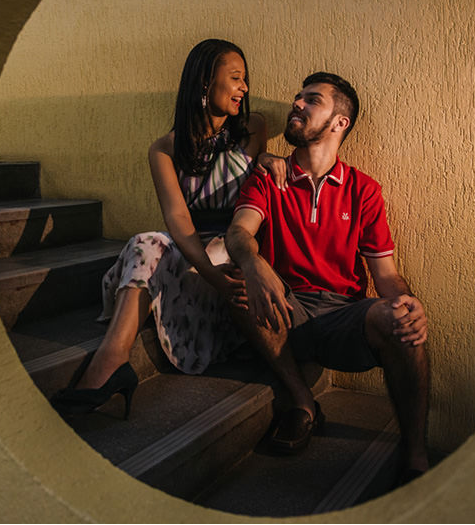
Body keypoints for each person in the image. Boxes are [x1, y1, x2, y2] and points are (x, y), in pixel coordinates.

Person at [51, 38, 284, 418]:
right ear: (205, 83)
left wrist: (268, 157)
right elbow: (179, 224)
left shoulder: (253, 129)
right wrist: (214, 278)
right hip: (197, 258)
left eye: (246, 79)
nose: (244, 87)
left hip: (234, 252)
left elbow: (259, 182)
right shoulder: (164, 149)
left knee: (192, 249)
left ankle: (106, 367)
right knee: (146, 242)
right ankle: (111, 361)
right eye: (236, 78)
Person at [225, 72, 430, 486]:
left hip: (344, 313)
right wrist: (253, 262)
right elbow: (238, 232)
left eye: (312, 100)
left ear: (339, 123)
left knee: (404, 325)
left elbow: (385, 275)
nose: (297, 103)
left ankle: (415, 454)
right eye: (298, 96)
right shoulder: (269, 176)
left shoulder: (364, 190)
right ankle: (303, 402)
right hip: (287, 306)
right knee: (240, 287)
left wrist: (408, 304)